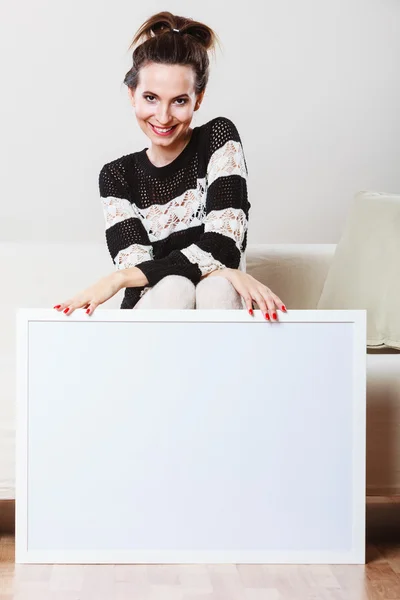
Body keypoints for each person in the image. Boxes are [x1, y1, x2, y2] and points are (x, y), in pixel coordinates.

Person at [53, 11, 286, 321]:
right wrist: (221, 271)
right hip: (154, 307)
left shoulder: (218, 139)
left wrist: (118, 279)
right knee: (179, 286)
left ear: (198, 99)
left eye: (179, 101)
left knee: (217, 288)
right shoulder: (116, 176)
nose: (162, 117)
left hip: (218, 299)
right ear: (131, 94)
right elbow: (141, 279)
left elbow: (223, 246)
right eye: (150, 97)